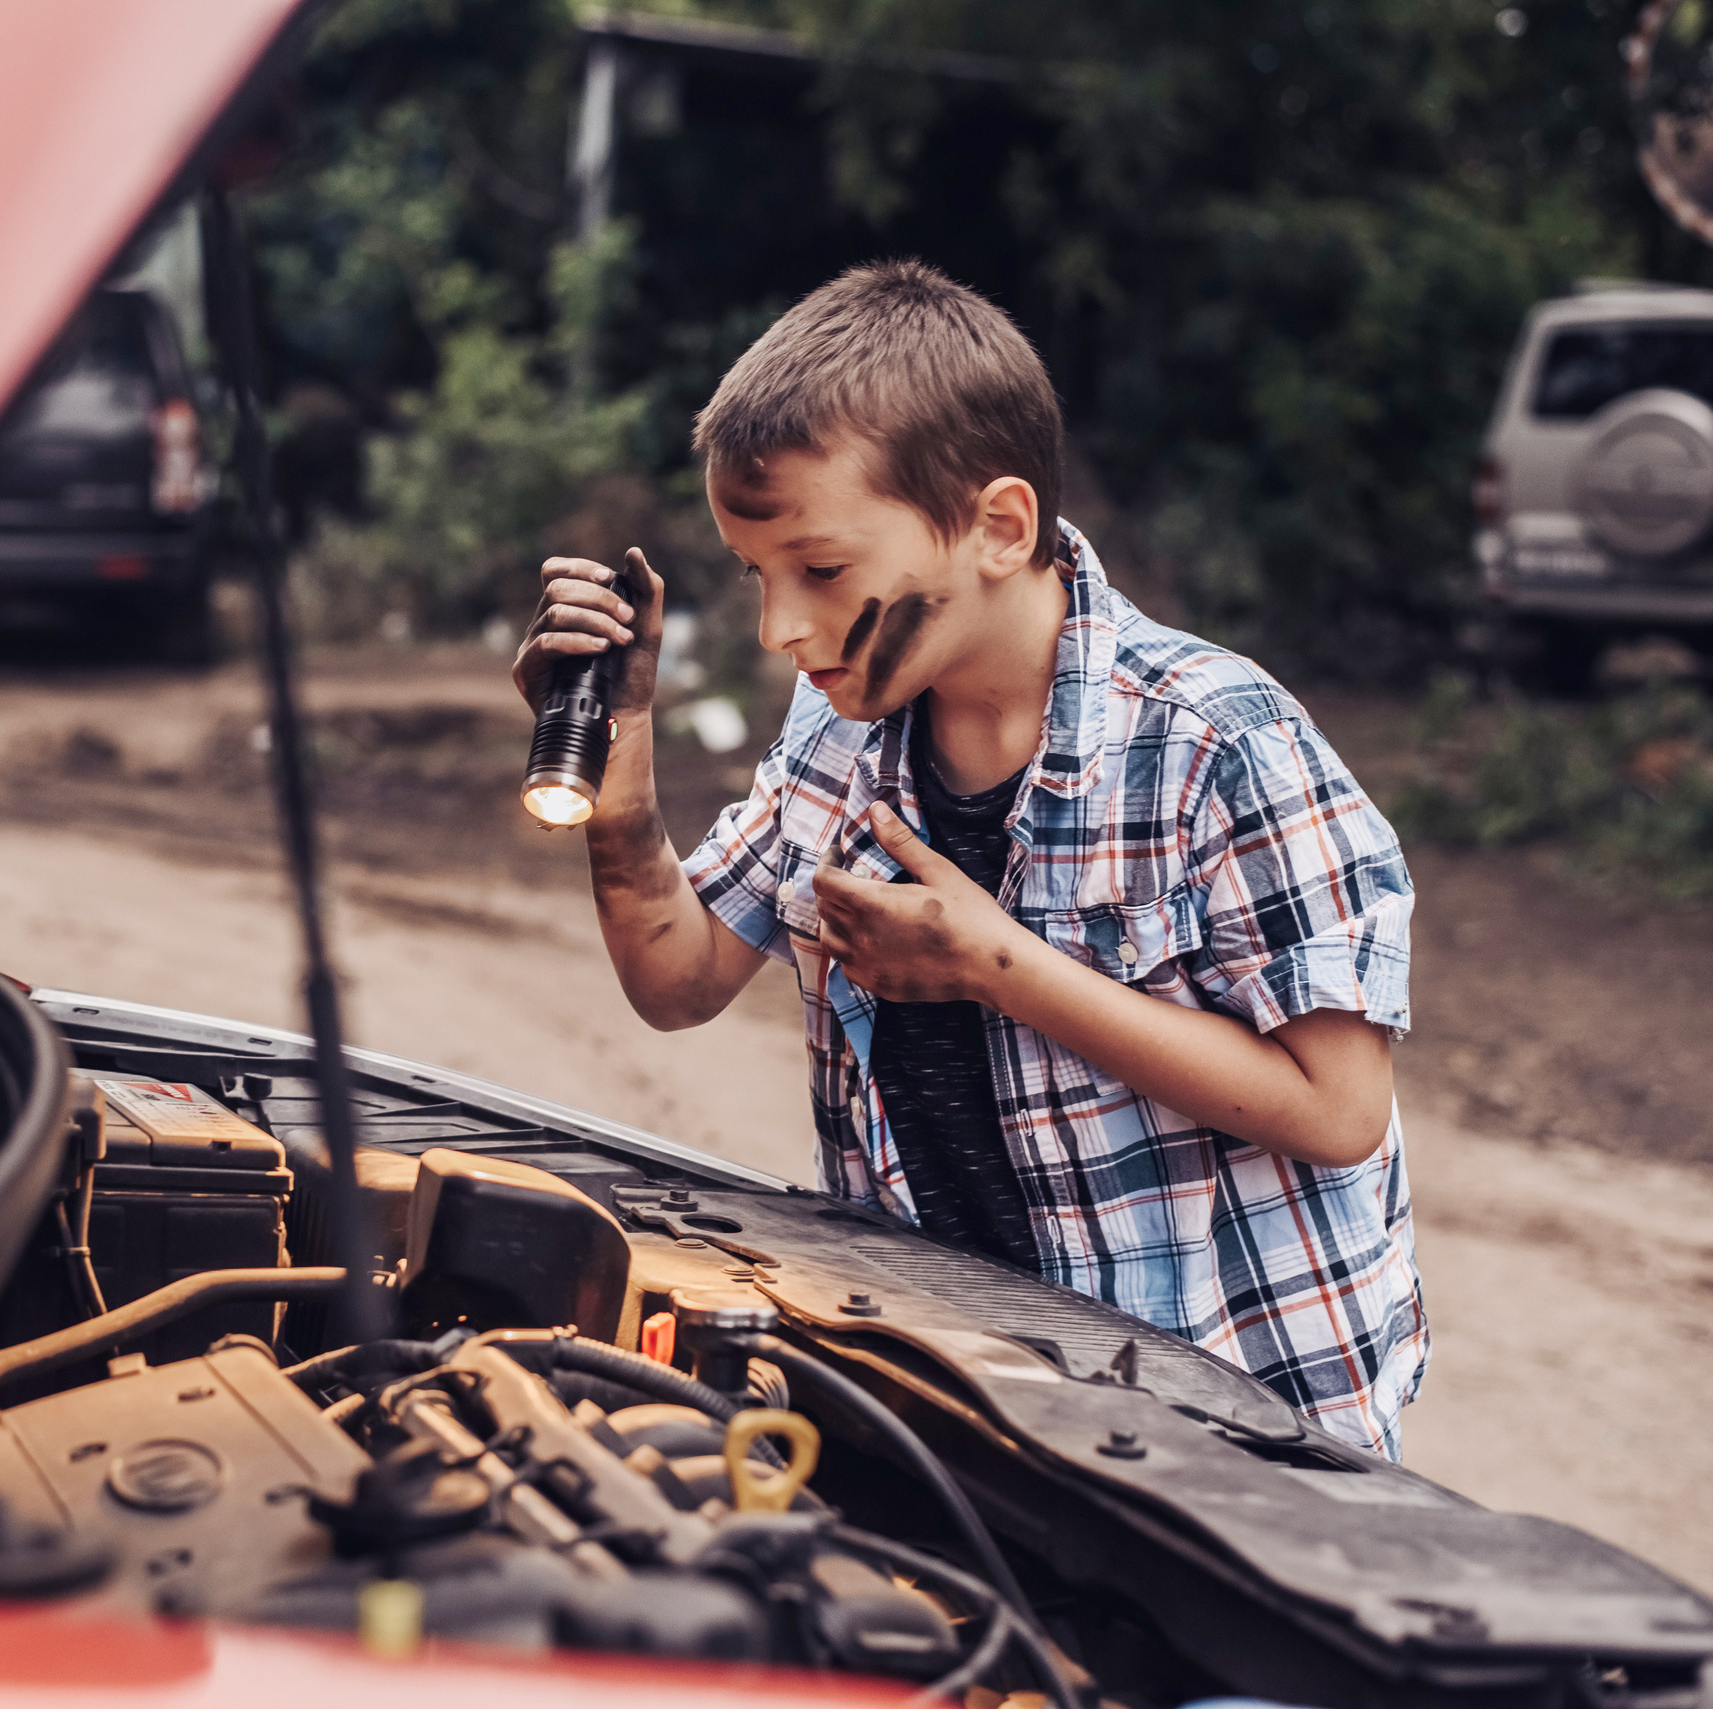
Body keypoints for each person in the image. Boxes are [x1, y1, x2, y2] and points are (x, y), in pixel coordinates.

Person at [511, 260, 1425, 1457]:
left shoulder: (1216, 743)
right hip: (965, 1397)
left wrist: (999, 965)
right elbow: (676, 978)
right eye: (755, 575)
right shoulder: (837, 723)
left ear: (998, 526)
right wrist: (614, 753)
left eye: (821, 571)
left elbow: (1340, 1106)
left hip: (1231, 1437)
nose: (778, 629)